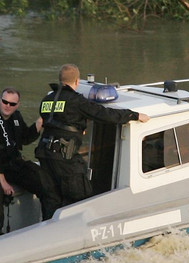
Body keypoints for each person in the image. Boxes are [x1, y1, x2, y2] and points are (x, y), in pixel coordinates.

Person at [34, 64, 149, 206]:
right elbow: (104, 114)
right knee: (81, 198)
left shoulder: (47, 100)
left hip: (45, 155)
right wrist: (134, 115)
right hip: (65, 159)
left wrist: (78, 125)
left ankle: (49, 225)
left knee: (51, 199)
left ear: (60, 80)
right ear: (76, 81)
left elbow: (57, 121)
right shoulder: (76, 101)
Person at [0, 87, 61, 240]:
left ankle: (50, 224)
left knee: (44, 181)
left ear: (17, 105)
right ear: (0, 101)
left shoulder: (16, 118)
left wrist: (40, 121)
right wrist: (3, 182)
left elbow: (24, 138)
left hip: (12, 164)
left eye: (12, 104)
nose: (7, 106)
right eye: (5, 102)